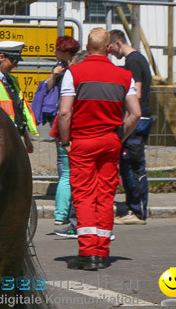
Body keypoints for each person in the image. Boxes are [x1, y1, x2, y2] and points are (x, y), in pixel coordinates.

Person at [56, 28, 141, 271]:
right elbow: (135, 113)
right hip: (110, 142)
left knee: (83, 194)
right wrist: (119, 137)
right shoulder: (124, 75)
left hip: (83, 141)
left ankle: (87, 253)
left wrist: (65, 141)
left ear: (87, 46)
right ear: (108, 48)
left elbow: (64, 112)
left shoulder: (74, 73)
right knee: (105, 194)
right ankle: (102, 251)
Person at [30, 35, 80, 236]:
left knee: (66, 172)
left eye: (58, 50)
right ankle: (65, 214)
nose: (54, 53)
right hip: (66, 125)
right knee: (67, 171)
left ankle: (62, 213)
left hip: (65, 126)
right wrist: (54, 76)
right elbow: (48, 90)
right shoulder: (62, 70)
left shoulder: (72, 70)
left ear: (65, 51)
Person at [109, 29, 154, 225]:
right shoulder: (139, 59)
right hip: (141, 117)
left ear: (118, 44)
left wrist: (126, 120)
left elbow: (135, 93)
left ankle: (137, 211)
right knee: (132, 163)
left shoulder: (133, 62)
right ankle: (136, 208)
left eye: (111, 50)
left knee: (131, 165)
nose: (112, 54)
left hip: (137, 119)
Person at [0, 40, 38, 153]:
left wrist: (26, 138)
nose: (16, 65)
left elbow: (18, 111)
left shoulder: (12, 80)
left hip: (13, 139)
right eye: (13, 60)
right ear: (1, 57)